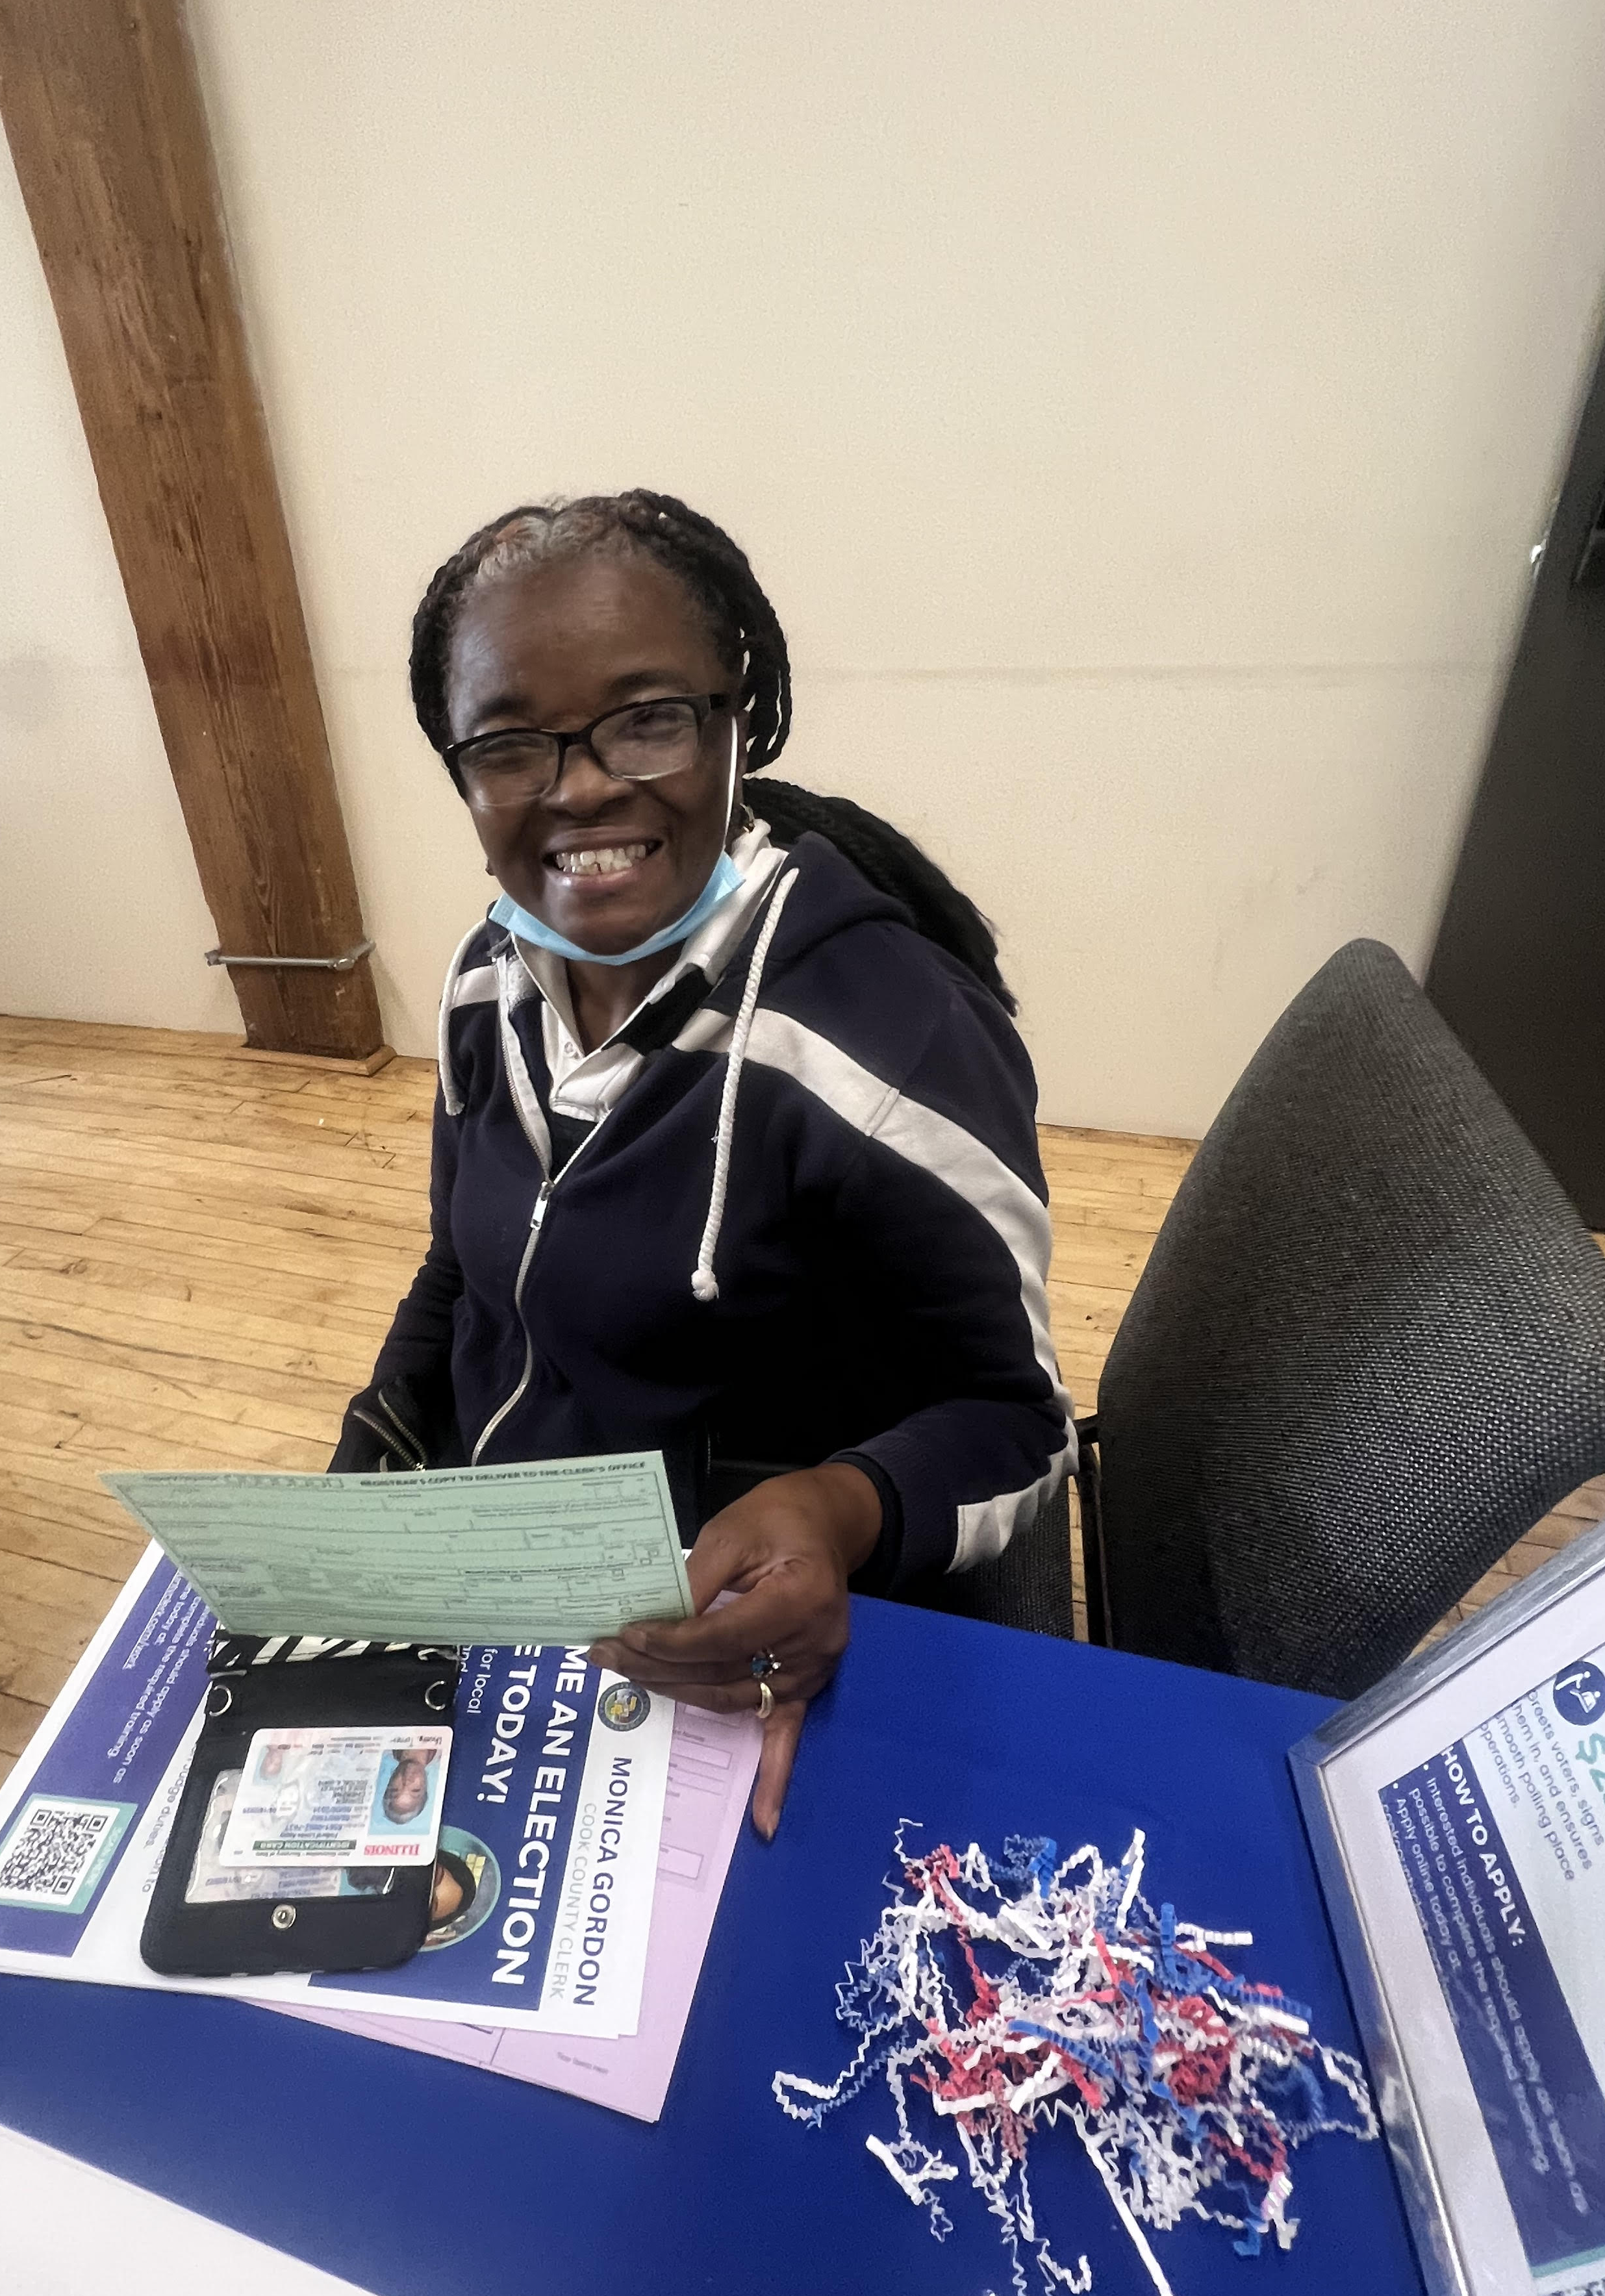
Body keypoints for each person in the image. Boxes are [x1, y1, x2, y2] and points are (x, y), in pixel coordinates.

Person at [331, 494, 1072, 1834]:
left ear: (744, 718)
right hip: (505, 1592)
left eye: (647, 718)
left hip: (718, 1657)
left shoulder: (884, 1046)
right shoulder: (485, 978)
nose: (579, 785)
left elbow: (1020, 1429)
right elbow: (466, 1263)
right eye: (508, 744)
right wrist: (375, 1454)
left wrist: (844, 1507)